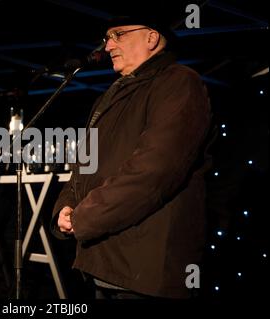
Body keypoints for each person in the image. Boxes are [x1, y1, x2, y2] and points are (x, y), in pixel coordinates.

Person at [51, 15, 214, 299]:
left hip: (146, 268)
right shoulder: (112, 94)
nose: (108, 45)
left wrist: (85, 217)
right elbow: (84, 162)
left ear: (151, 38)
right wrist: (66, 206)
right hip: (104, 262)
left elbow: (153, 172)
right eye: (107, 37)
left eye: (119, 34)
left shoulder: (179, 83)